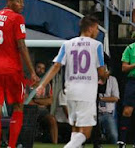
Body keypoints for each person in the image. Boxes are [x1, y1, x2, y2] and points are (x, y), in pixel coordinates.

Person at [36, 16, 108, 148]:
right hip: (86, 92)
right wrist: (104, 76)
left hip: (70, 91)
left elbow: (56, 66)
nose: (97, 32)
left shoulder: (67, 44)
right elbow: (101, 71)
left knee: (75, 129)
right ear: (91, 28)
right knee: (86, 132)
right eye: (97, 28)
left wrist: (42, 84)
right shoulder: (97, 45)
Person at [0, 0, 39, 148]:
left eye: (22, 1)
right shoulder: (17, 18)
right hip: (11, 68)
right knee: (18, 105)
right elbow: (21, 45)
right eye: (18, 1)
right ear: (9, 2)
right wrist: (32, 71)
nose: (22, 4)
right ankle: (11, 145)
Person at [27, 62, 58, 144]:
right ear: (34, 68)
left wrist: (36, 100)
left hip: (43, 112)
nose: (41, 70)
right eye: (39, 67)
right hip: (30, 111)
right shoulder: (28, 83)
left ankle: (55, 143)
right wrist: (42, 102)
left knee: (52, 119)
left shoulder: (47, 85)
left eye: (43, 68)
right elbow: (27, 101)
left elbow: (50, 101)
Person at [97, 73, 119, 144]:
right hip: (94, 113)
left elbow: (115, 98)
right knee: (92, 136)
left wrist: (101, 98)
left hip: (107, 113)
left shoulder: (112, 80)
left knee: (114, 135)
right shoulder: (93, 78)